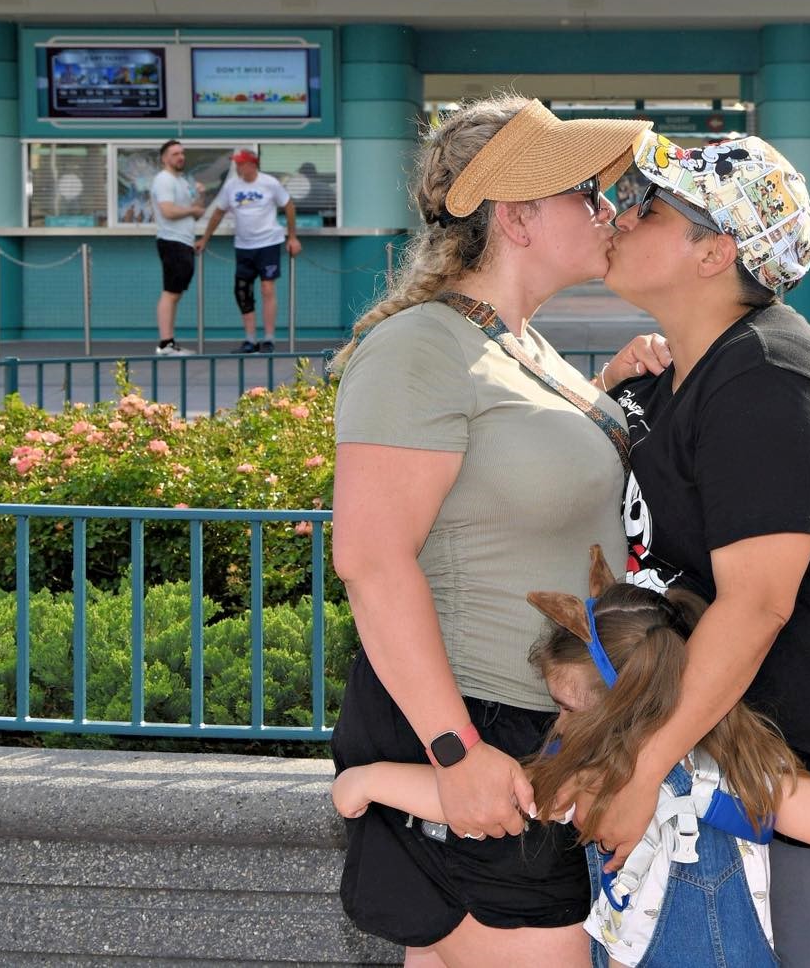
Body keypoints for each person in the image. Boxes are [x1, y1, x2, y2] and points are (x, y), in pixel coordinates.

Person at [592, 129, 810, 968]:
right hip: (750, 775)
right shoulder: (690, 378)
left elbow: (756, 604)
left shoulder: (767, 382)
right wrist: (607, 389)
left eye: (651, 208)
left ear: (715, 251)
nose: (621, 215)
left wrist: (640, 772)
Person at [328, 96, 659, 966]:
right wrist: (456, 752)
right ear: (515, 217)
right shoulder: (419, 348)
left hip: (543, 729)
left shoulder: (520, 345)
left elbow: (513, 480)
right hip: (481, 733)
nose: (606, 208)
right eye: (584, 192)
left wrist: (610, 391)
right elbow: (370, 559)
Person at [333, 549, 810, 968]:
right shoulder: (727, 766)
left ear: (627, 707)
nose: (558, 724)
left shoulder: (632, 777)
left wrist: (369, 780)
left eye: (568, 708)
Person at [194, 149, 302, 353]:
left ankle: (269, 338)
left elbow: (288, 206)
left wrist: (292, 237)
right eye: (236, 163)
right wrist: (205, 239)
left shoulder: (269, 183)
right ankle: (250, 339)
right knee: (242, 290)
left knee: (267, 288)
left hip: (268, 243)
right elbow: (218, 213)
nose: (237, 167)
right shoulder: (231, 186)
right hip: (244, 246)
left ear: (252, 164)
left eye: (241, 163)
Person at [150, 139, 204, 355]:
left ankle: (169, 341)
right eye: (175, 154)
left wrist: (200, 195)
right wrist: (192, 210)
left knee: (176, 293)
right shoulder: (164, 180)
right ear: (164, 159)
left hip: (184, 241)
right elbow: (168, 211)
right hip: (172, 241)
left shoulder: (182, 181)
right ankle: (165, 343)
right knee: (170, 293)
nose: (180, 157)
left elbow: (197, 211)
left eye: (182, 153)